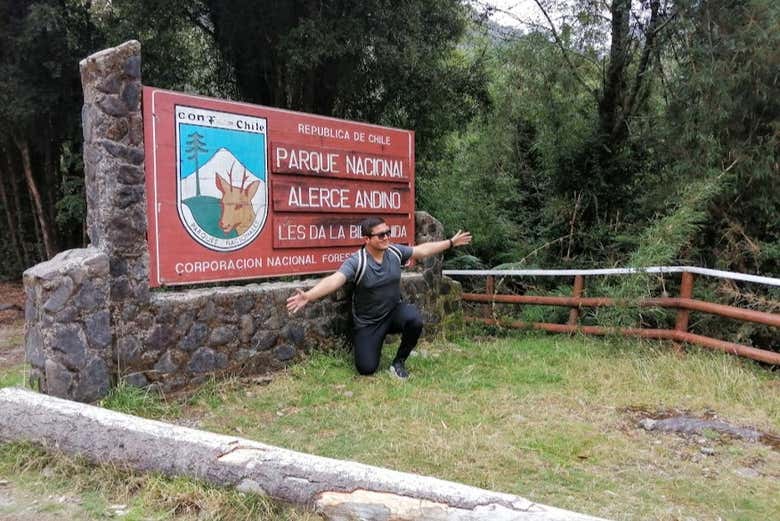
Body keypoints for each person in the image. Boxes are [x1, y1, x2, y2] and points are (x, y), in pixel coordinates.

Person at [286, 216, 472, 379]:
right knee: (366, 369)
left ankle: (398, 363)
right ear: (367, 239)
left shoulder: (394, 251)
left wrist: (450, 243)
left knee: (415, 319)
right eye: (381, 235)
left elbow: (421, 251)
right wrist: (308, 296)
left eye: (388, 233)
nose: (386, 238)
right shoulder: (357, 261)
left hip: (393, 313)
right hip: (368, 323)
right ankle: (374, 342)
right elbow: (336, 279)